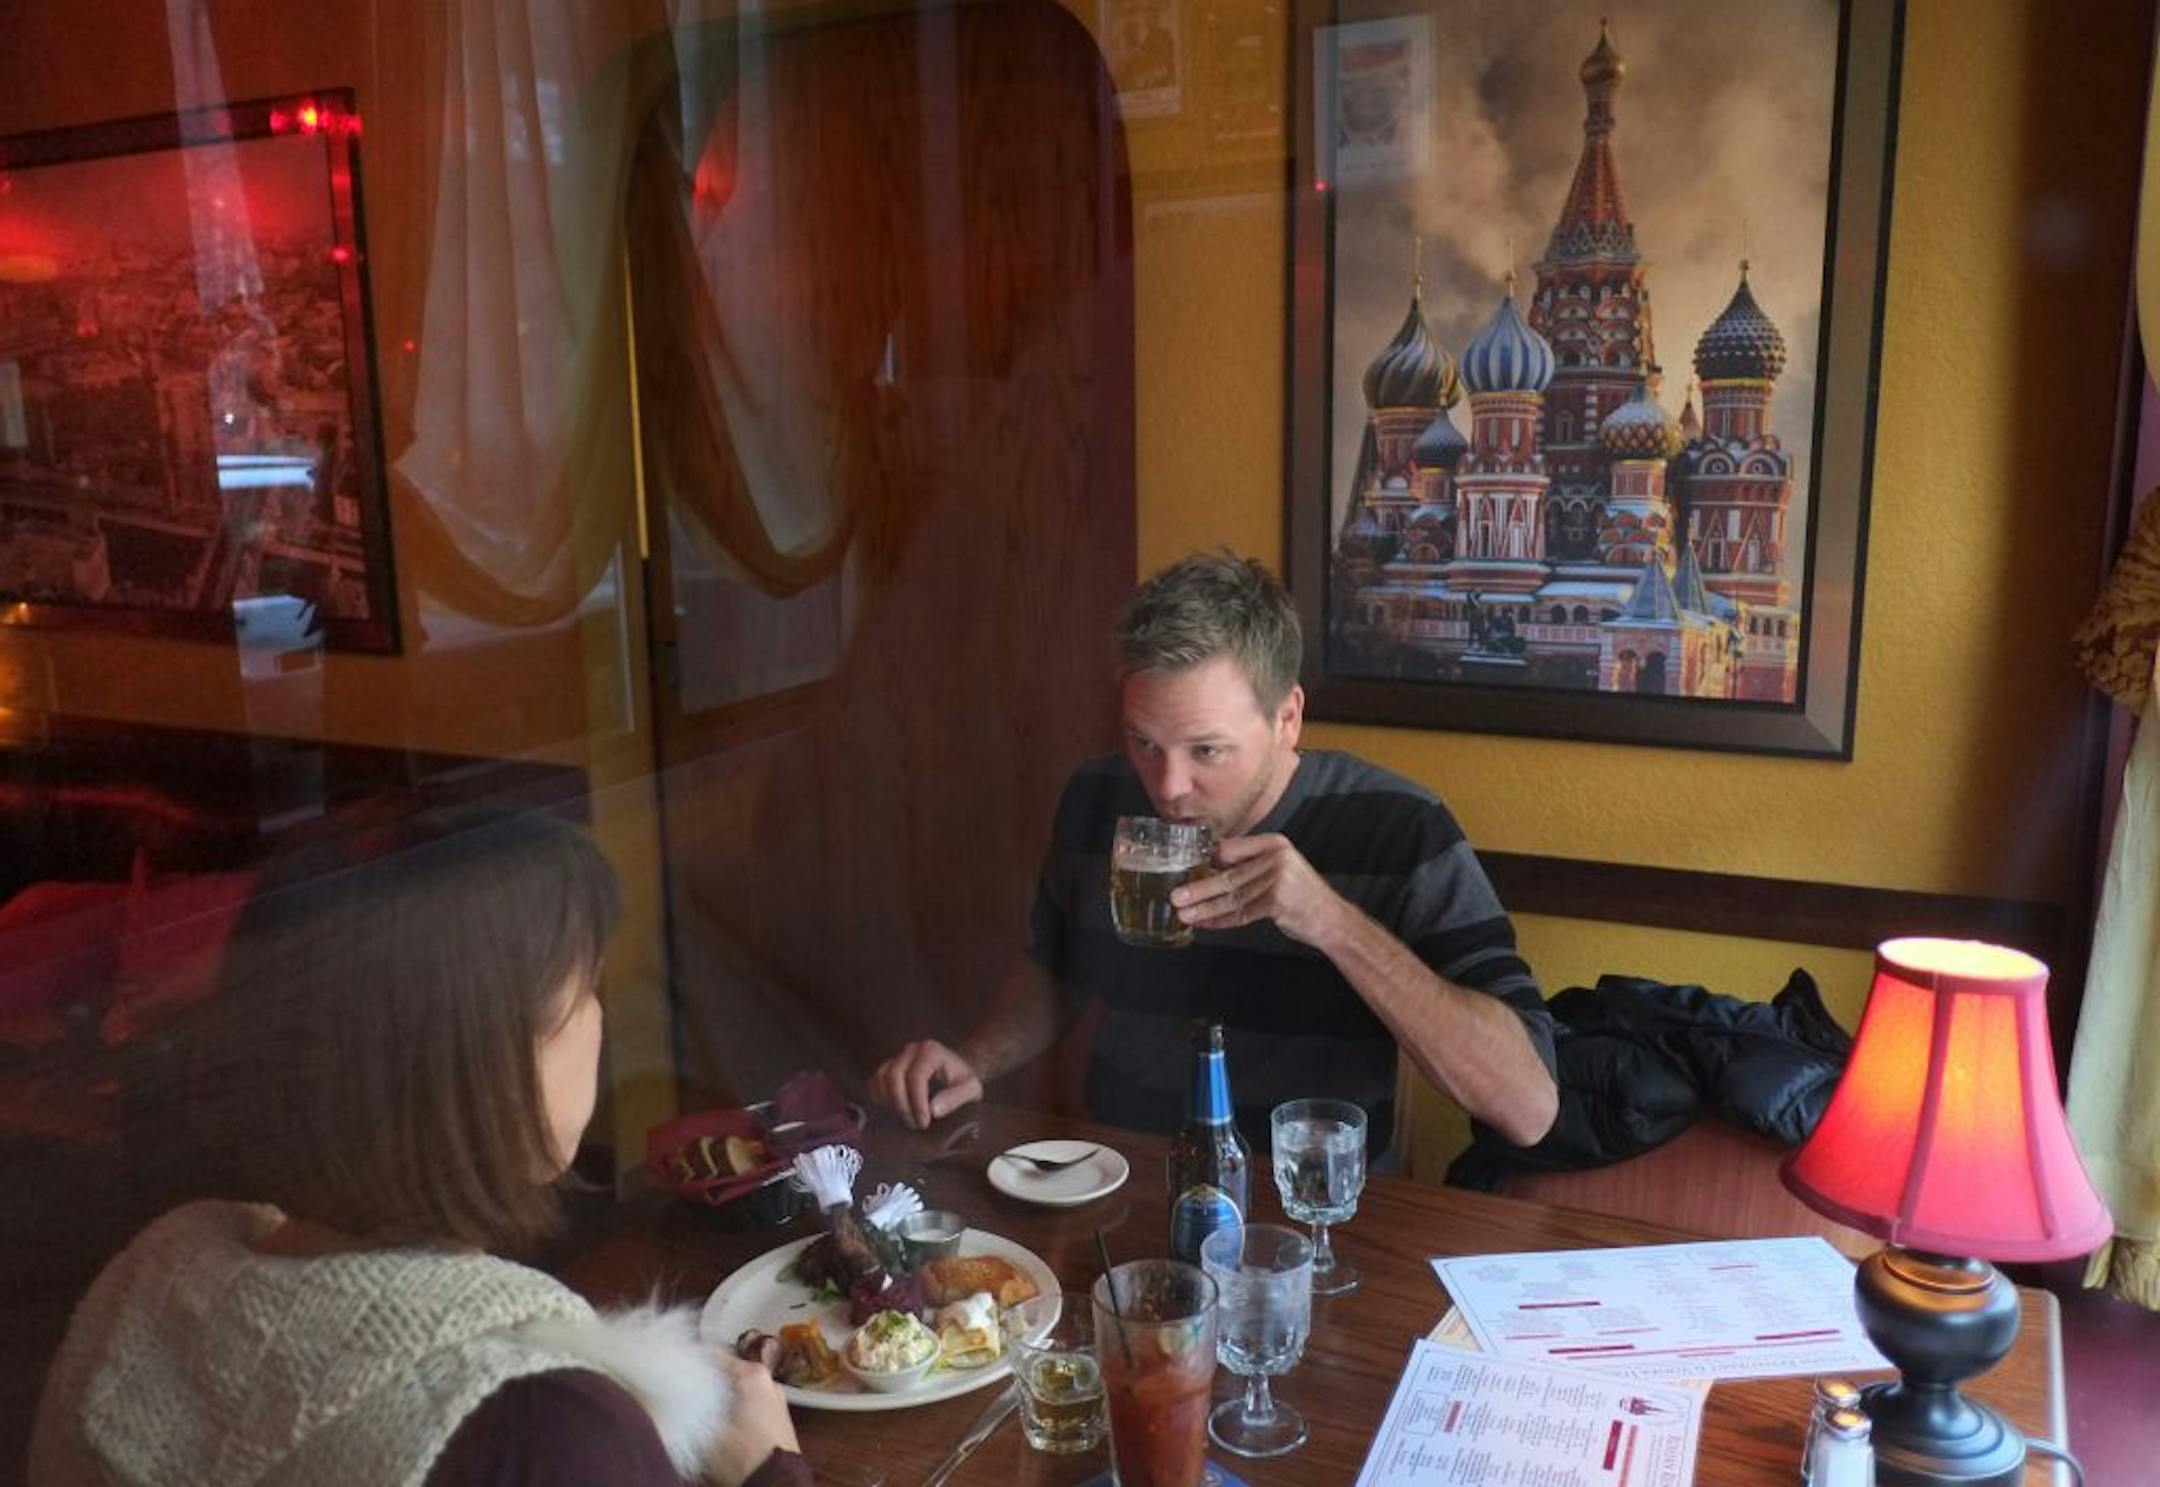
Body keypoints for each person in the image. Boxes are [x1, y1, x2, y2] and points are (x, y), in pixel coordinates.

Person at [30, 808, 809, 1487]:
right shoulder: (550, 1431)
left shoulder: (144, 1284)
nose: (603, 1022)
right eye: (585, 991)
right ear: (485, 1067)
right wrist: (772, 1468)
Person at [869, 550, 1559, 1160]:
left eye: (1206, 750)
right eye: (1144, 742)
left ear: (1287, 718)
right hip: (1116, 1175)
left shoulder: (1400, 826)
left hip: (1309, 1212)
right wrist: (973, 1059)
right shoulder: (1095, 794)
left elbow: (1528, 1107)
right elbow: (1057, 971)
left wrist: (1331, 921)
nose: (1167, 788)